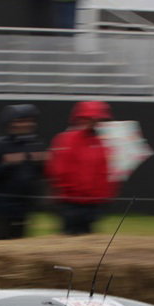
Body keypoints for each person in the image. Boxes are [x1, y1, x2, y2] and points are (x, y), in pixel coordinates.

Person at [0, 103, 47, 240]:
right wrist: (7, 164)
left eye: (30, 121)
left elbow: (37, 175)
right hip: (1, 209)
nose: (27, 124)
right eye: (22, 121)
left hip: (24, 208)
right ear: (10, 123)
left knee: (20, 245)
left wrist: (42, 162)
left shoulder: (35, 145)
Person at [47, 100, 113, 235]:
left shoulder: (100, 142)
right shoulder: (66, 139)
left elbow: (103, 172)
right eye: (91, 118)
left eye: (97, 119)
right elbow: (57, 170)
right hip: (71, 203)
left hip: (91, 204)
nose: (95, 122)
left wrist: (103, 198)